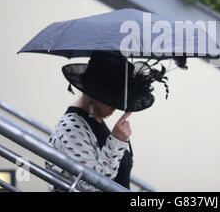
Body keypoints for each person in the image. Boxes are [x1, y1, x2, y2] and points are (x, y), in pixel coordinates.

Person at [45, 51, 173, 192]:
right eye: (108, 97)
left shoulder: (96, 118)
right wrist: (116, 141)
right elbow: (88, 186)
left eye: (118, 97)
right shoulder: (71, 127)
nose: (114, 105)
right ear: (91, 90)